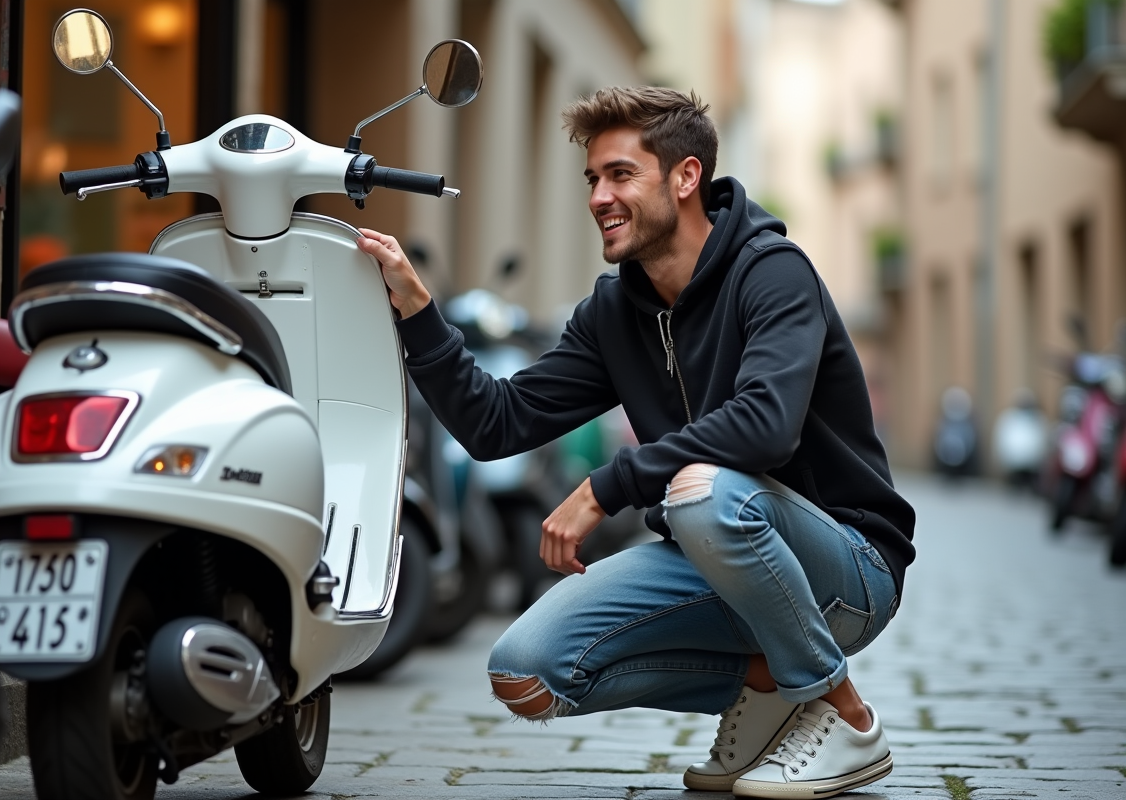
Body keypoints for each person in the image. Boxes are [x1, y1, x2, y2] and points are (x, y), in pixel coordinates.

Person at [357, 86, 915, 799]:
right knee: (524, 671)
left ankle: (846, 717)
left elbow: (766, 424)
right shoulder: (614, 312)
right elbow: (496, 424)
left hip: (848, 569)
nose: (599, 196)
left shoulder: (773, 272)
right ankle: (769, 683)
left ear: (686, 177)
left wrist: (606, 487)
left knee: (701, 489)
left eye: (620, 174)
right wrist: (417, 311)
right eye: (593, 178)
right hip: (714, 557)